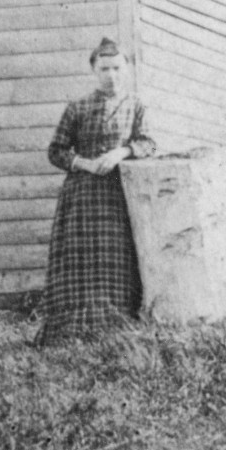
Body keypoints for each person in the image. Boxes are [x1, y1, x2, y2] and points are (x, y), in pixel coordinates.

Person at [41, 37, 157, 341]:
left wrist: (122, 152)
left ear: (127, 69)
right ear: (94, 70)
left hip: (118, 196)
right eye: (104, 69)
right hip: (81, 197)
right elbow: (56, 151)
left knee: (115, 257)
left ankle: (116, 328)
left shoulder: (136, 106)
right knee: (80, 259)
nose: (111, 75)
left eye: (117, 68)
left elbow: (148, 143)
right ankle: (72, 331)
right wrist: (84, 163)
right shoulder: (78, 107)